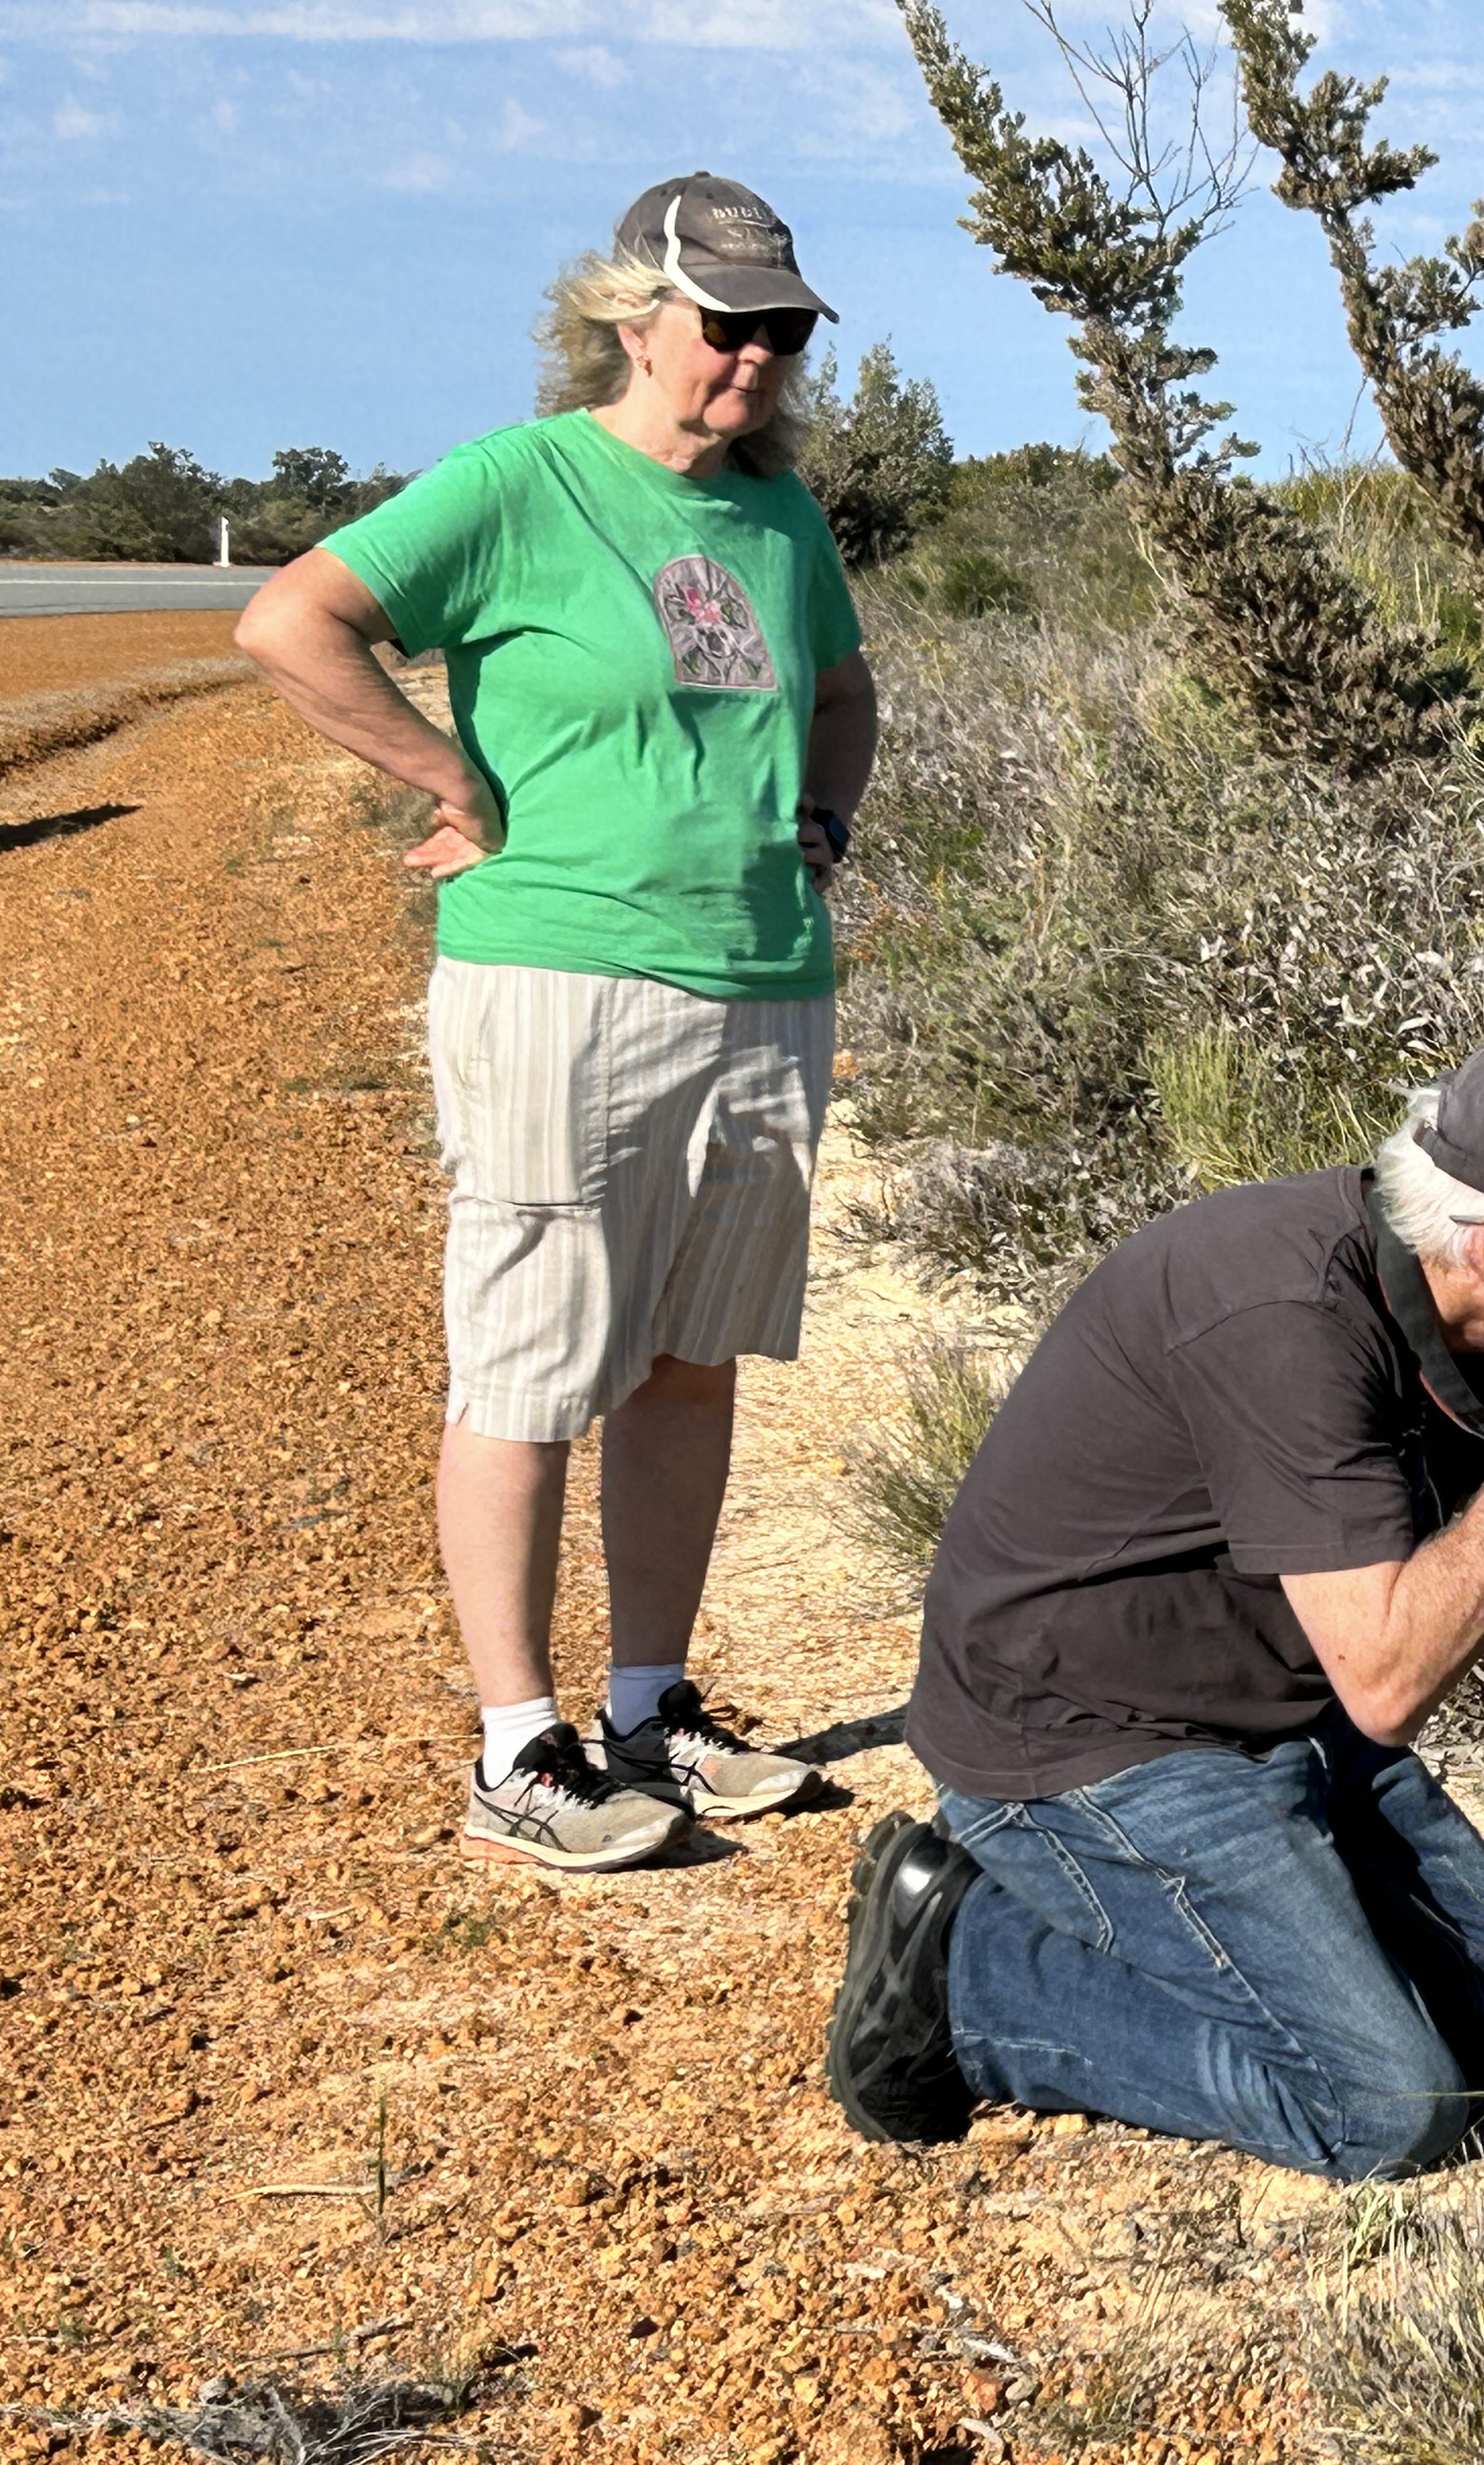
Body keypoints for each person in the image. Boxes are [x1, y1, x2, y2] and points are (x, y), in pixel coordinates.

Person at [825, 1043, 1484, 2178]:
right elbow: (1391, 1684)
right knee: (1391, 2105)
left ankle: (1174, 1931)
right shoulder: (1286, 1313)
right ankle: (970, 1965)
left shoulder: (1471, 1315)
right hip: (1087, 1738)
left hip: (1276, 1704)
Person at [235, 173, 878, 1872]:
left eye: (781, 328)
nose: (753, 355)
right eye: (724, 322)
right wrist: (445, 774)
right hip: (561, 977)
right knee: (532, 1357)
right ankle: (518, 1747)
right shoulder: (523, 485)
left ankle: (651, 1705)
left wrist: (822, 824)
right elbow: (291, 619)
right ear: (628, 318)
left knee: (689, 1354)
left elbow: (837, 688)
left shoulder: (779, 512)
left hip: (760, 982)